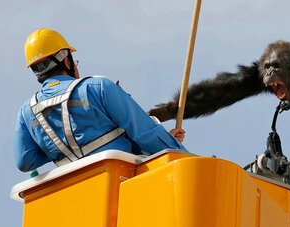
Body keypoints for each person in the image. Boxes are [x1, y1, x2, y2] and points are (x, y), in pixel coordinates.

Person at [14, 28, 187, 172]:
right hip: (121, 181)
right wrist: (181, 154)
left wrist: (57, 148)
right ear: (67, 61)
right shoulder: (97, 88)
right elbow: (145, 133)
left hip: (75, 194)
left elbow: (25, 162)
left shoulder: (26, 113)